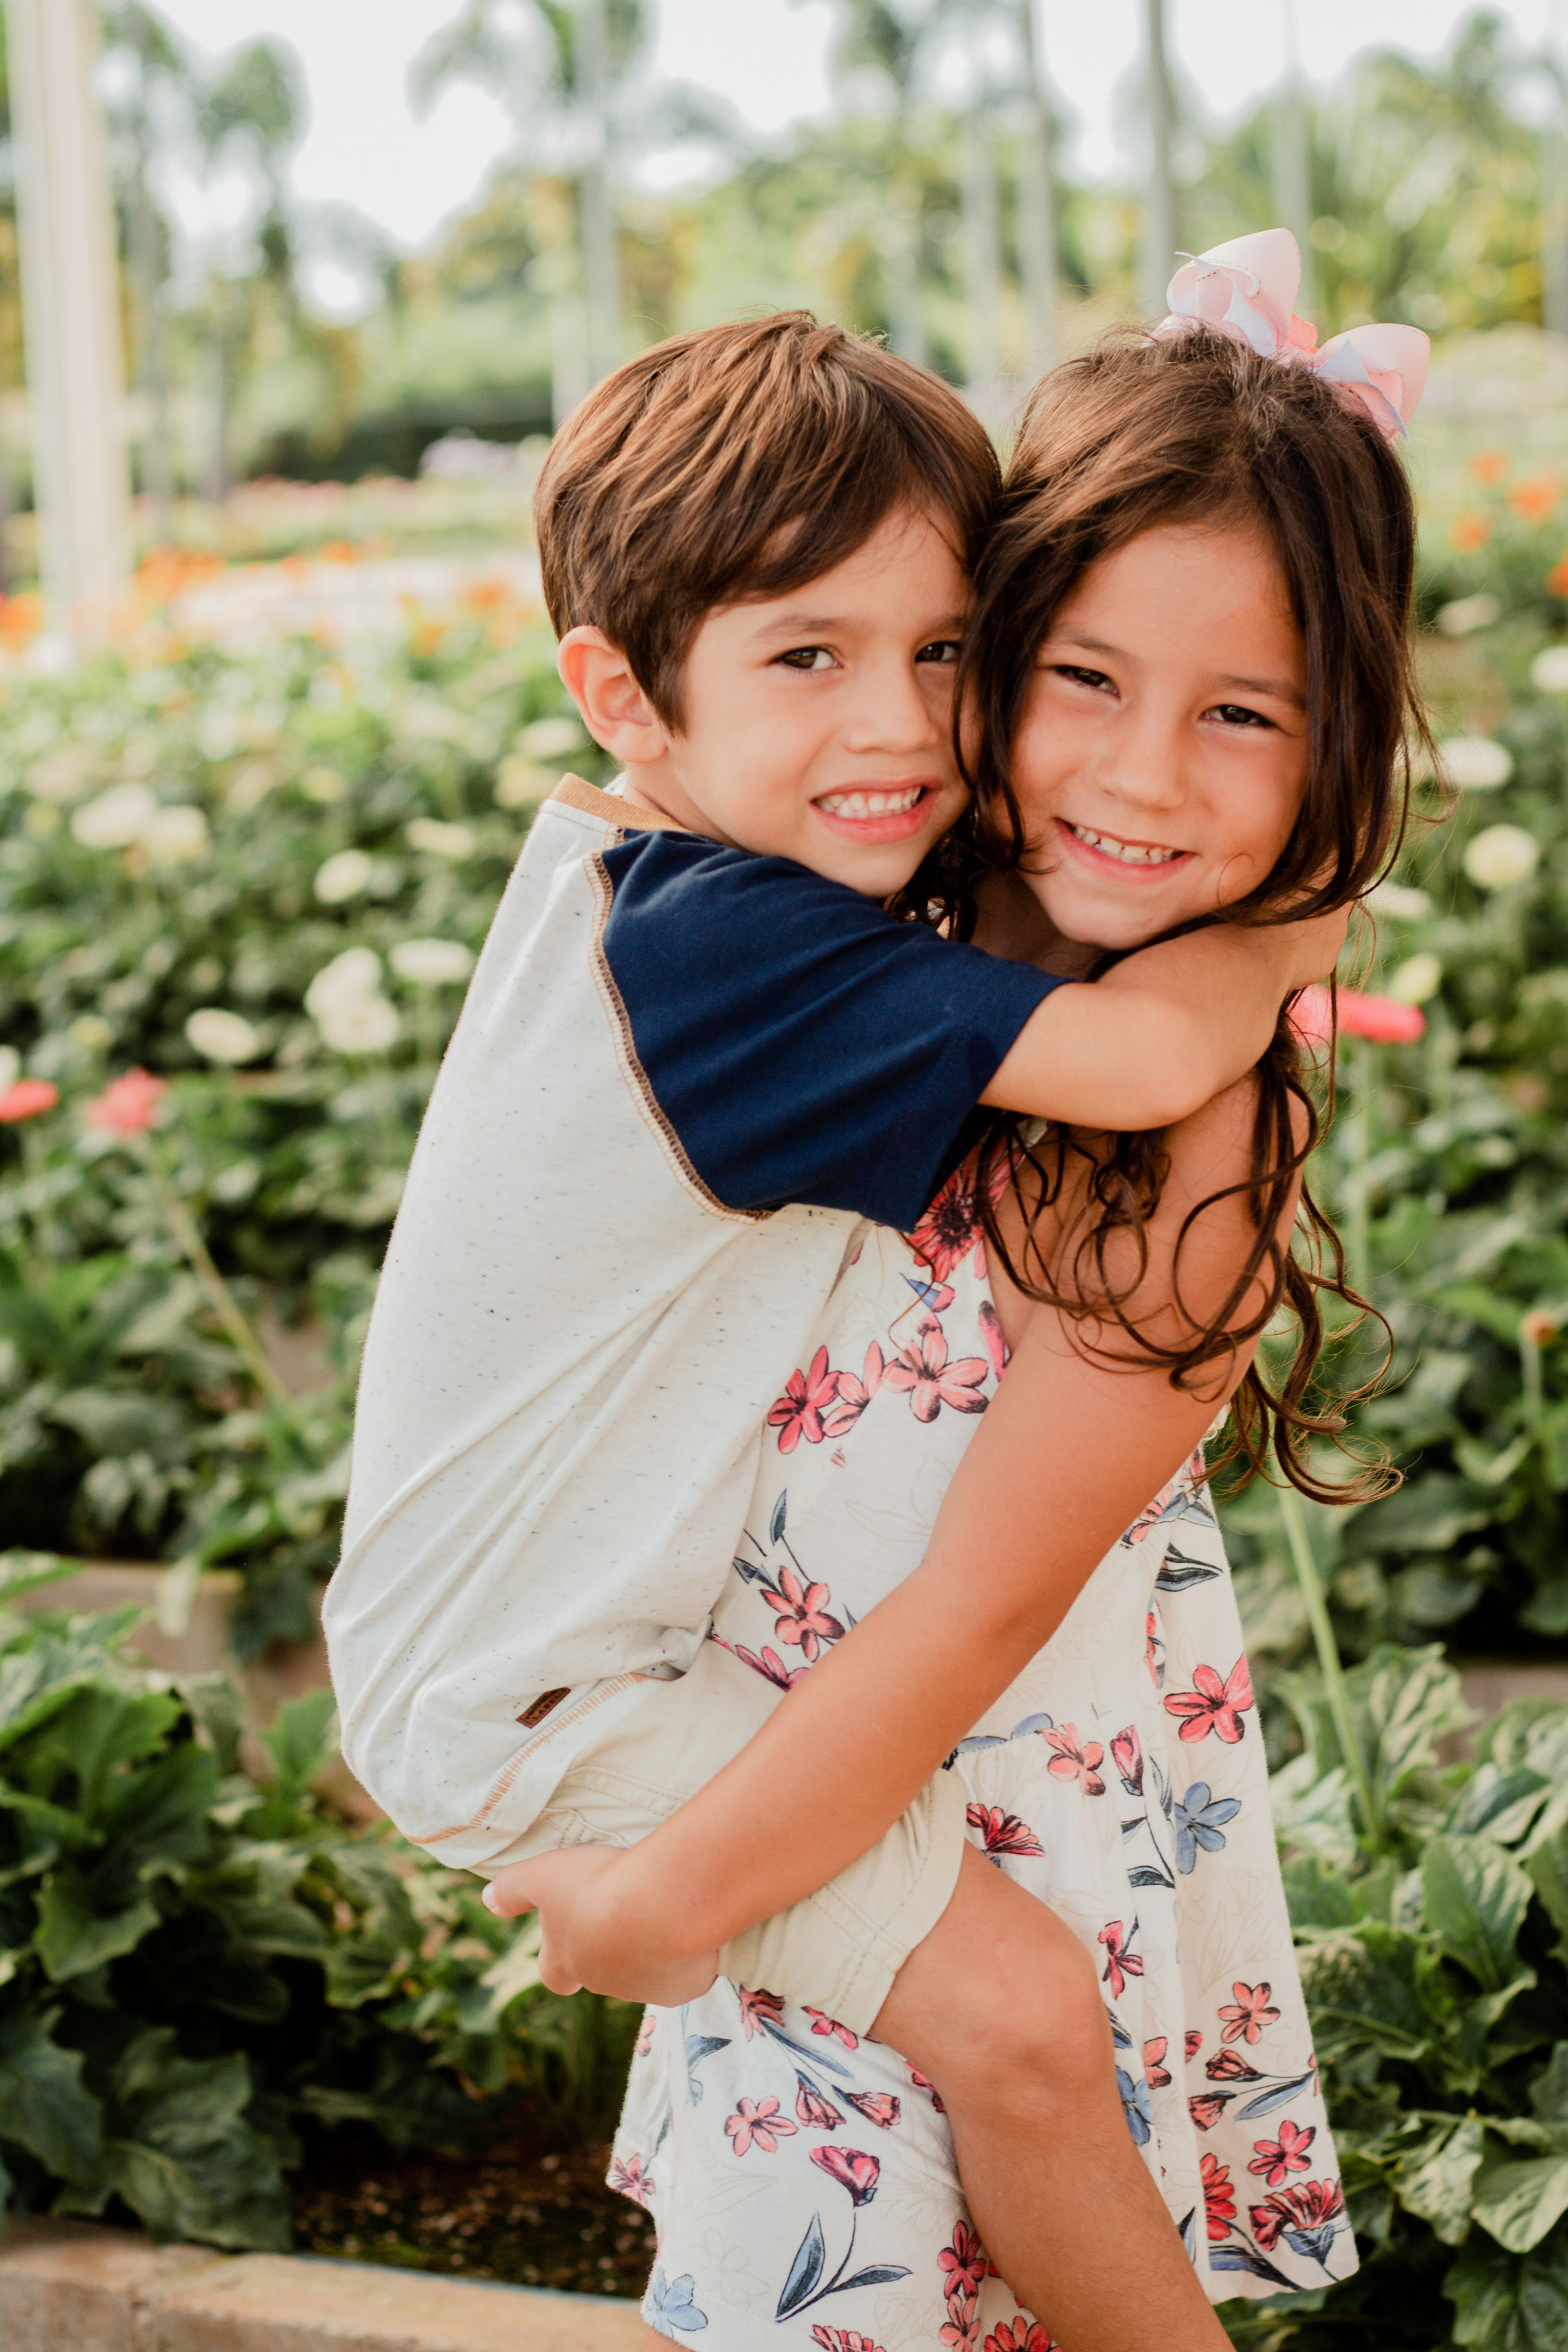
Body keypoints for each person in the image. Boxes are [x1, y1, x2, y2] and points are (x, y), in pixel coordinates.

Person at [324, 296, 1346, 2351]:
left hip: (599, 1661)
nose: (899, 726)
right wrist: (1316, 909)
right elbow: (1146, 1055)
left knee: (1010, 2040)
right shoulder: (733, 951)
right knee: (1023, 2021)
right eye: (811, 656)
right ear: (620, 694)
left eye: (943, 652)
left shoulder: (707, 892)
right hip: (556, 1689)